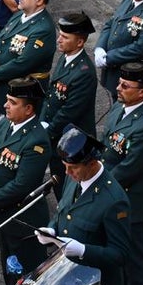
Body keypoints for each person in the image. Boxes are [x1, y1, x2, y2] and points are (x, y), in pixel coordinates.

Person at [37, 125, 131, 285]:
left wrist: (83, 250)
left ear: (92, 163)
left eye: (72, 167)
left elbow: (120, 254)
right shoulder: (76, 177)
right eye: (65, 166)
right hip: (67, 277)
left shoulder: (114, 200)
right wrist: (51, 230)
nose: (67, 172)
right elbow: (64, 211)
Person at [0, 77, 52, 285]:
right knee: (9, 270)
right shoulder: (6, 125)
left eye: (12, 102)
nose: (5, 105)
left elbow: (22, 184)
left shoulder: (36, 141)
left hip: (22, 220)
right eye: (7, 99)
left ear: (28, 109)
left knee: (25, 278)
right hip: (4, 216)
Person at [101, 61, 143, 285]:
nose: (118, 88)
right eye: (119, 83)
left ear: (142, 92)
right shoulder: (119, 108)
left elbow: (130, 168)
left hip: (130, 199)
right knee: (118, 250)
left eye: (125, 86)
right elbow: (107, 146)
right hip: (113, 191)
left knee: (137, 257)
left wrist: (99, 183)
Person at [41, 12, 98, 197]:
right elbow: (51, 95)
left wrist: (47, 132)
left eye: (65, 37)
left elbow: (70, 111)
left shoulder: (84, 72)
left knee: (69, 190)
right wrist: (42, 120)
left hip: (72, 142)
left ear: (79, 42)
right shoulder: (66, 58)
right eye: (60, 35)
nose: (59, 40)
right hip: (59, 135)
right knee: (59, 183)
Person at [0, 0, 57, 105]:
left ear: (39, 0)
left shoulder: (43, 29)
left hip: (22, 92)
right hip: (1, 84)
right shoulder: (19, 15)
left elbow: (23, 63)